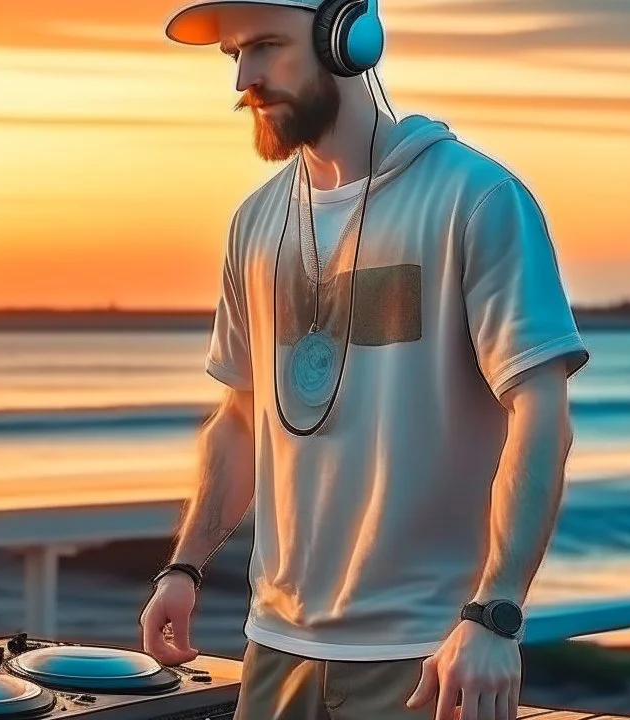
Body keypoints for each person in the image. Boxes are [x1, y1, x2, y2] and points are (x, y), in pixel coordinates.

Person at [136, 1, 592, 719]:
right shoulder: (255, 223)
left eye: (264, 47)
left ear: (347, 37)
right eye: (234, 57)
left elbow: (542, 416)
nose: (244, 79)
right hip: (275, 648)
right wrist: (186, 566)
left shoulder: (475, 199)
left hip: (428, 658)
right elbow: (239, 416)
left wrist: (495, 613)